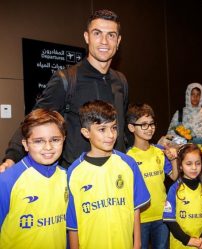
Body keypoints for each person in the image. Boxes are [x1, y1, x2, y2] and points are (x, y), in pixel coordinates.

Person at [1, 9, 128, 170]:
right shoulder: (66, 79)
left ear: (118, 41)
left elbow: (123, 128)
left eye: (111, 35)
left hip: (116, 173)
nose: (104, 41)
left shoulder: (121, 81)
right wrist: (12, 157)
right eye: (97, 33)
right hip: (78, 177)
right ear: (87, 37)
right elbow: (32, 121)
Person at [66, 100, 150, 249]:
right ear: (86, 133)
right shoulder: (75, 172)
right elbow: (73, 224)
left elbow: (135, 209)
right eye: (102, 129)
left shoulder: (128, 164)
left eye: (114, 128)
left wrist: (137, 244)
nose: (111, 135)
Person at [0, 109, 67, 249]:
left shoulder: (67, 177)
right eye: (38, 141)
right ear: (25, 144)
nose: (48, 147)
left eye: (55, 140)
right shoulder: (7, 180)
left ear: (64, 140)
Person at [126, 103, 178, 249]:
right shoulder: (127, 158)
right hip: (139, 219)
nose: (149, 128)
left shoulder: (160, 151)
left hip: (161, 216)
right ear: (131, 127)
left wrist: (173, 158)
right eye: (143, 124)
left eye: (151, 124)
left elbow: (174, 176)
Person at [163, 143, 202, 249]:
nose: (194, 168)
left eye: (197, 163)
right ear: (180, 165)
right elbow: (169, 220)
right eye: (188, 164)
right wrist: (187, 240)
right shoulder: (174, 189)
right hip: (180, 244)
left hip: (201, 243)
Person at [167, 83, 202, 152]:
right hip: (184, 153)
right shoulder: (179, 113)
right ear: (188, 95)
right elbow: (170, 134)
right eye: (192, 94)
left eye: (198, 94)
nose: (195, 97)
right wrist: (181, 145)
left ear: (201, 96)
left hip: (201, 153)